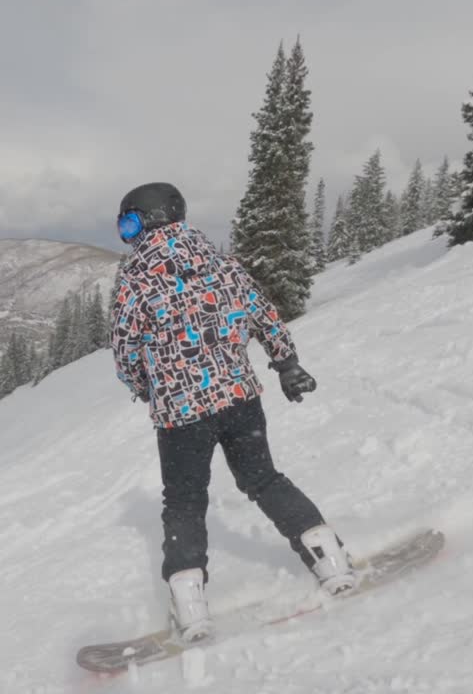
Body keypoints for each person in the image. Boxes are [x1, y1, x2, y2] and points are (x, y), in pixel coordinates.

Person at [109, 181, 355, 643]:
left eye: (130, 223)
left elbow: (124, 352)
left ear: (151, 218)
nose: (128, 234)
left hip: (181, 414)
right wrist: (286, 363)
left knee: (184, 501)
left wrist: (146, 386)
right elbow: (265, 315)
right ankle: (329, 557)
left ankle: (191, 605)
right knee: (264, 479)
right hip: (240, 399)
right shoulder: (223, 266)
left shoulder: (135, 283)